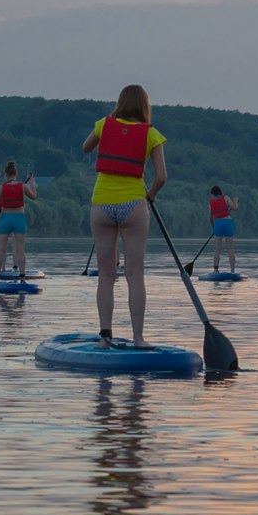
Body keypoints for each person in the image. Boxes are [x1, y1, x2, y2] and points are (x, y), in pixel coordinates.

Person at [79, 85, 168, 344]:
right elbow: (162, 177)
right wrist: (150, 194)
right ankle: (138, 338)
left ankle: (105, 335)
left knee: (106, 274)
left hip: (102, 203)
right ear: (144, 106)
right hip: (133, 205)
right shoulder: (152, 134)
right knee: (134, 274)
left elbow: (85, 147)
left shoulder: (104, 125)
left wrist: (106, 132)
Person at [0, 161, 36, 281]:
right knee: (20, 249)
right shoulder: (23, 186)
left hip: (5, 219)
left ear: (6, 174)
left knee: (1, 249)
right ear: (16, 174)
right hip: (19, 219)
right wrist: (31, 182)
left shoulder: (1, 187)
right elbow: (34, 196)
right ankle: (22, 277)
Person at [207, 184, 238, 273]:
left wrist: (214, 227)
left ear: (212, 194)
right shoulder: (226, 198)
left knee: (217, 249)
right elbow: (235, 208)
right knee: (230, 249)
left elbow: (210, 218)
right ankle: (232, 270)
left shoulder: (210, 203)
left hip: (217, 224)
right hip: (227, 223)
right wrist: (235, 201)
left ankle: (215, 270)